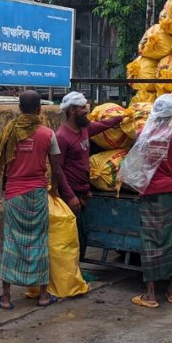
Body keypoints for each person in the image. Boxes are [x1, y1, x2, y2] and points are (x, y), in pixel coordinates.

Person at [0, 89, 76, 310]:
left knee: (12, 243)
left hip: (14, 195)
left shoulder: (9, 132)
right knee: (39, 241)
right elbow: (55, 168)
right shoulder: (47, 134)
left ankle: (6, 297)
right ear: (39, 109)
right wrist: (54, 190)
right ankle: (44, 295)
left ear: (19, 108)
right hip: (37, 194)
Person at [118, 93, 172, 308]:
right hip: (171, 192)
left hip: (149, 192)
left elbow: (137, 159)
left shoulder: (141, 134)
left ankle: (150, 295)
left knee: (150, 241)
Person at [55, 91, 121, 249]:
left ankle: (78, 270)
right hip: (71, 195)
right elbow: (57, 169)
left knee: (83, 235)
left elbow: (101, 126)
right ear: (72, 110)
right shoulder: (61, 136)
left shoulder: (84, 128)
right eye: (83, 108)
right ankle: (72, 271)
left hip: (83, 192)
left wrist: (122, 117)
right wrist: (70, 196)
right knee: (72, 238)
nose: (87, 111)